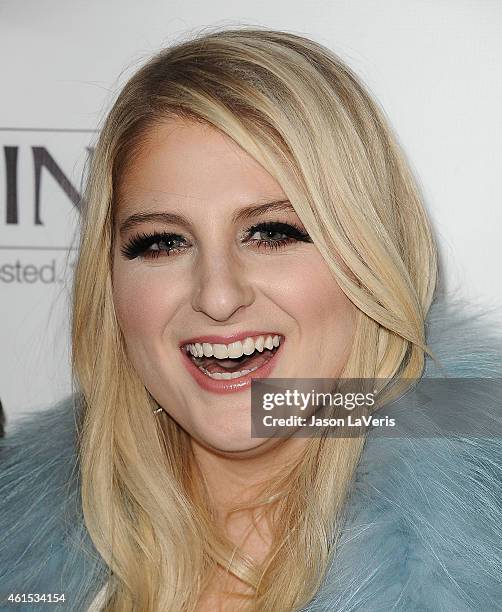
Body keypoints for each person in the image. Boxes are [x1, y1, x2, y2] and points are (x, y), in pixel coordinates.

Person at [1, 27, 501, 612]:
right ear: (108, 284)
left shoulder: (474, 553)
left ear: (370, 254)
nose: (217, 295)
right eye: (162, 242)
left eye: (272, 233)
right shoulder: (22, 544)